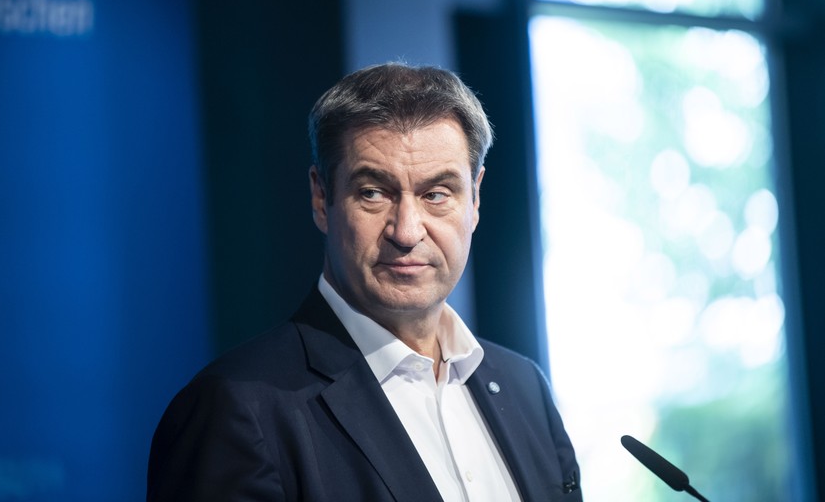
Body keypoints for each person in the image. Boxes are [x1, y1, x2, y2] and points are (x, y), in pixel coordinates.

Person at [147, 63, 582, 501]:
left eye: (437, 194)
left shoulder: (526, 389)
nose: (407, 231)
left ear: (475, 199)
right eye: (373, 192)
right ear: (322, 198)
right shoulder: (236, 409)